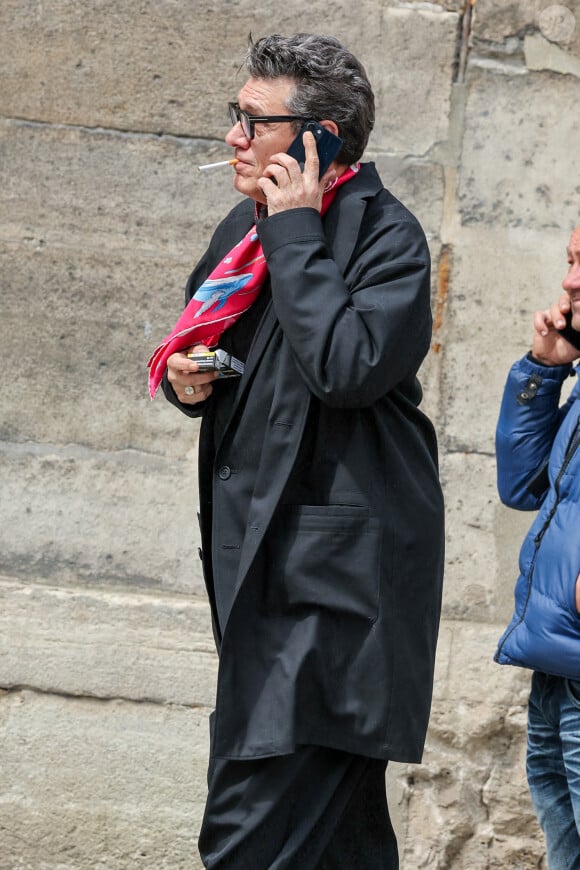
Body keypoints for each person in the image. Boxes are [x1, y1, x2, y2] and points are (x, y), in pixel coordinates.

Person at [149, 33, 445, 869]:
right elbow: (214, 350)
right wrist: (186, 376)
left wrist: (293, 230)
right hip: (266, 580)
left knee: (248, 839)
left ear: (318, 137)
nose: (234, 138)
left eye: (254, 120)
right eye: (233, 115)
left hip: (335, 598)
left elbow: (347, 367)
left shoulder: (384, 236)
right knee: (337, 845)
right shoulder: (241, 236)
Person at [494, 225, 580, 869]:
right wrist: (542, 373)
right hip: (557, 662)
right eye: (573, 260)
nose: (569, 281)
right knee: (562, 845)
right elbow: (525, 484)